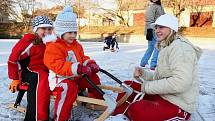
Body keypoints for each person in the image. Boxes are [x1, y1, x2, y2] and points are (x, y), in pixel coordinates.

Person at [112, 14, 202, 121]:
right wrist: (143, 73)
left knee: (138, 110)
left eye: (161, 27)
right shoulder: (166, 45)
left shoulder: (181, 49)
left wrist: (145, 87)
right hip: (164, 95)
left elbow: (180, 82)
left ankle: (130, 114)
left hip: (178, 103)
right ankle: (118, 117)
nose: (157, 30)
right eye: (156, 27)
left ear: (171, 28)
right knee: (127, 87)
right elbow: (161, 76)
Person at [43, 6, 103, 121]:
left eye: (75, 32)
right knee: (68, 87)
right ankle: (61, 117)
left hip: (75, 77)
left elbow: (82, 57)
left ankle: (98, 99)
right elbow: (57, 65)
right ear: (61, 32)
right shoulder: (53, 46)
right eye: (70, 32)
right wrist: (78, 68)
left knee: (92, 77)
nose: (73, 35)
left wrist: (89, 63)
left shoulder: (77, 45)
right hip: (60, 79)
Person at [8, 16, 54, 120]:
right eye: (43, 29)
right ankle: (35, 117)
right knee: (40, 77)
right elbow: (12, 59)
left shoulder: (49, 42)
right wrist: (15, 78)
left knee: (44, 76)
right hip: (27, 70)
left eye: (49, 29)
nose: (47, 31)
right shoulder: (29, 41)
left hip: (43, 71)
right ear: (36, 30)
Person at [140, 0, 165, 70]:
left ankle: (143, 63)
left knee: (151, 48)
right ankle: (153, 65)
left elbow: (163, 18)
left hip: (157, 29)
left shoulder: (159, 6)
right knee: (158, 47)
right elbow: (149, 20)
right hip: (153, 30)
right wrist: (150, 30)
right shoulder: (151, 6)